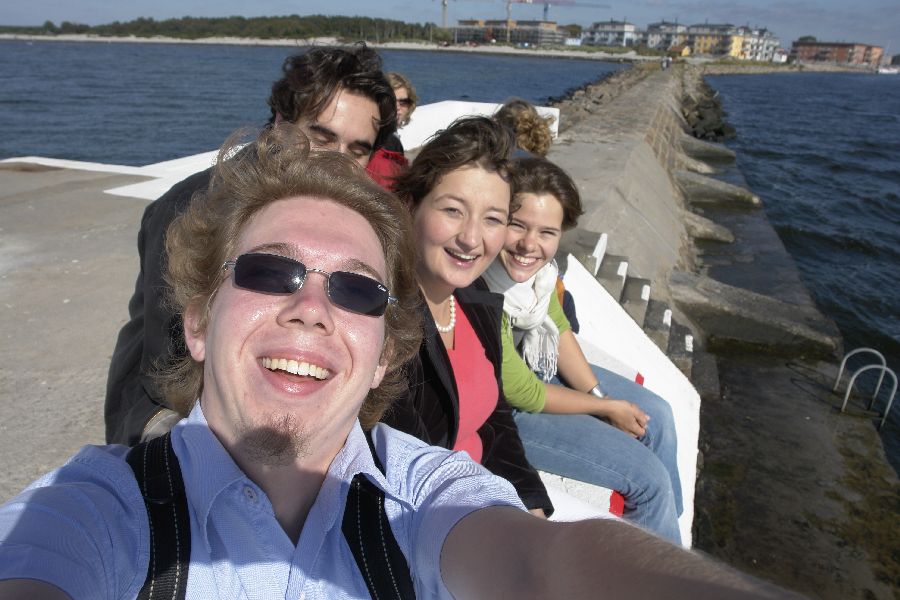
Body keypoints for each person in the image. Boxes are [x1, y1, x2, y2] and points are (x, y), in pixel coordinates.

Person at [0, 127, 806, 600]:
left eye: (355, 289)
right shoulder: (96, 511)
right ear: (199, 322)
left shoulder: (422, 496)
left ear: (385, 347)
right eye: (271, 271)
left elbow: (543, 566)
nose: (311, 306)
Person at [105, 43, 398, 446]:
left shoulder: (352, 217)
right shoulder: (192, 207)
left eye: (357, 150)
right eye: (321, 137)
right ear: (279, 123)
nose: (337, 161)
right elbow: (166, 354)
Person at [483, 156, 684, 544]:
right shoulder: (483, 285)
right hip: (504, 413)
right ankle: (662, 567)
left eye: (546, 232)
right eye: (517, 225)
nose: (529, 244)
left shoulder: (539, 276)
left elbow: (558, 329)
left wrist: (598, 396)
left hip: (536, 370)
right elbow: (522, 392)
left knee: (657, 416)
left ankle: (670, 536)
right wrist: (607, 407)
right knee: (648, 481)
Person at [382, 116, 553, 515]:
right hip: (441, 518)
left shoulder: (475, 301)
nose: (471, 238)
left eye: (492, 219)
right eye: (453, 210)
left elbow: (496, 419)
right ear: (411, 206)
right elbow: (408, 471)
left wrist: (531, 502)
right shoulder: (386, 324)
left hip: (487, 497)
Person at [365, 71, 417, 189]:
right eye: (392, 100)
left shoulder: (390, 139)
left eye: (403, 102)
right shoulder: (384, 141)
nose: (397, 107)